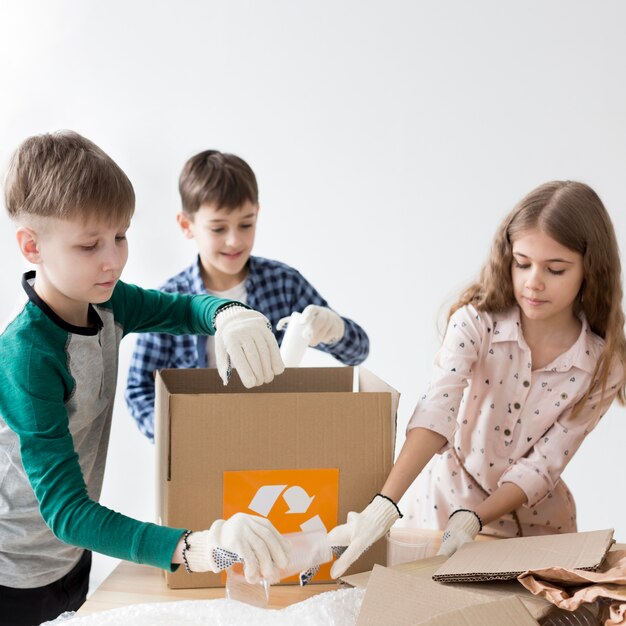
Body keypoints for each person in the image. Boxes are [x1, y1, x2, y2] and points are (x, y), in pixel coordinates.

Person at [0, 131, 289, 626]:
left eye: (120, 235)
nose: (113, 259)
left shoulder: (108, 302)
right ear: (32, 246)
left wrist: (228, 312)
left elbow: (181, 307)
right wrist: (190, 547)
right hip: (14, 567)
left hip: (73, 553)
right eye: (90, 244)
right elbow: (66, 511)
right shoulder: (27, 356)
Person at [327, 181, 626, 579]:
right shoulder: (475, 323)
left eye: (555, 269)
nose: (533, 282)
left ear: (591, 268)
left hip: (538, 529)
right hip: (439, 506)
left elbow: (545, 463)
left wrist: (474, 518)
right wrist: (384, 505)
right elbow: (437, 410)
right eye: (522, 263)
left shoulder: (603, 363)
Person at [125, 149, 369, 442]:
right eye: (218, 228)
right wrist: (174, 436)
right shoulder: (170, 300)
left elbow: (359, 350)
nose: (234, 240)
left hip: (270, 439)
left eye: (246, 224)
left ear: (258, 214)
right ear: (186, 225)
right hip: (201, 446)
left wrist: (335, 330)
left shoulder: (283, 284)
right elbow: (138, 389)